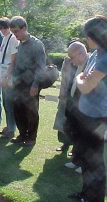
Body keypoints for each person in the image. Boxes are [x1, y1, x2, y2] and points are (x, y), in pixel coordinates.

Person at [68, 15, 107, 202]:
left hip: (98, 117)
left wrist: (80, 78)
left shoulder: (105, 57)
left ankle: (95, 198)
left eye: (87, 36)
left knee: (95, 161)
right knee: (85, 158)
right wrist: (83, 77)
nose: (86, 39)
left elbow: (84, 85)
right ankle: (85, 194)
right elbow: (84, 76)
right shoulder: (95, 54)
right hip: (86, 113)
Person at [9, 16, 46, 146]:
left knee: (31, 111)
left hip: (31, 84)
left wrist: (35, 85)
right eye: (13, 32)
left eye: (16, 31)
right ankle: (22, 134)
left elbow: (41, 67)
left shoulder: (37, 44)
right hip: (18, 83)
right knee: (18, 110)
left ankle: (31, 137)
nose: (15, 35)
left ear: (24, 28)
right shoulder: (20, 44)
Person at [62, 42, 90, 174]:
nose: (71, 62)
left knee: (85, 138)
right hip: (74, 106)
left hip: (85, 109)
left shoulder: (91, 65)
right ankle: (76, 160)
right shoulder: (78, 65)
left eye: (72, 58)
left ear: (81, 53)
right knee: (75, 134)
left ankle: (84, 164)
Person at [0, 17, 19, 139]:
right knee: (5, 101)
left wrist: (7, 76)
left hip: (9, 71)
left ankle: (12, 129)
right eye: (1, 28)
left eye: (5, 27)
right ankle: (9, 126)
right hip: (3, 68)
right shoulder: (4, 38)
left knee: (9, 102)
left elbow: (13, 59)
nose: (3, 30)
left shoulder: (13, 39)